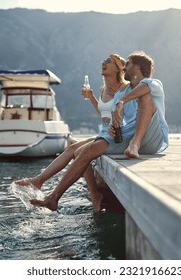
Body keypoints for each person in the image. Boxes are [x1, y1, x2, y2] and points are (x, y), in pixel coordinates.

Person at [30, 51, 169, 212]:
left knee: (146, 97)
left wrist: (121, 102)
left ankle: (135, 145)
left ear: (137, 66)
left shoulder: (153, 84)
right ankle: (53, 198)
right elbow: (117, 120)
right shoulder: (121, 95)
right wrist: (113, 127)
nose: (124, 67)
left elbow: (144, 89)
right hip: (128, 137)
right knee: (86, 150)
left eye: (128, 64)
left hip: (151, 139)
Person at [14, 54, 128, 213]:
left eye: (109, 61)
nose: (104, 62)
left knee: (80, 151)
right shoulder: (102, 89)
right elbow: (104, 116)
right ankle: (39, 181)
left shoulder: (125, 89)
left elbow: (128, 115)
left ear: (118, 67)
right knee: (71, 149)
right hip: (104, 131)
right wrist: (92, 97)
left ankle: (91, 195)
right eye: (103, 60)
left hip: (115, 134)